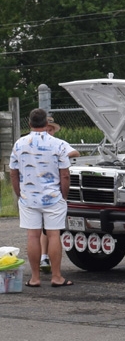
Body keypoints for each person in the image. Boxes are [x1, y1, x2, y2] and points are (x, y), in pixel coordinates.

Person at [9, 108, 74, 287]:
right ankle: (56, 276)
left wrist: (19, 193)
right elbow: (65, 175)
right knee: (54, 235)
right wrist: (64, 195)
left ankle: (35, 278)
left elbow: (13, 173)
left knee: (33, 236)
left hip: (28, 197)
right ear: (47, 124)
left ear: (29, 124)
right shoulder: (59, 144)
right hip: (53, 196)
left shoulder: (19, 144)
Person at [39, 116, 80, 273]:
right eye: (46, 128)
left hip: (54, 189)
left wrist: (62, 156)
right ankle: (44, 257)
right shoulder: (37, 145)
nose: (48, 131)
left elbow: (75, 152)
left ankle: (47, 261)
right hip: (42, 190)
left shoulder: (59, 144)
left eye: (51, 129)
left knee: (51, 228)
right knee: (43, 228)